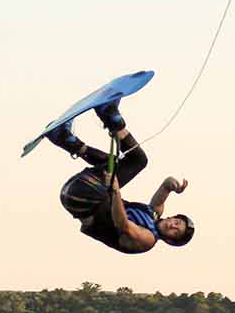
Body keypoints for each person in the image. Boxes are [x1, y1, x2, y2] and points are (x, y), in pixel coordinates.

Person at [44, 100, 194, 254]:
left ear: (169, 240)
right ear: (172, 217)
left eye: (175, 232)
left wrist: (115, 190)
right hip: (83, 193)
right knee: (118, 164)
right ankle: (65, 139)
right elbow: (166, 185)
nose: (173, 226)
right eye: (176, 222)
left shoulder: (147, 240)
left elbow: (122, 224)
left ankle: (111, 117)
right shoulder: (153, 213)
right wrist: (175, 187)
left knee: (137, 161)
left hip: (86, 200)